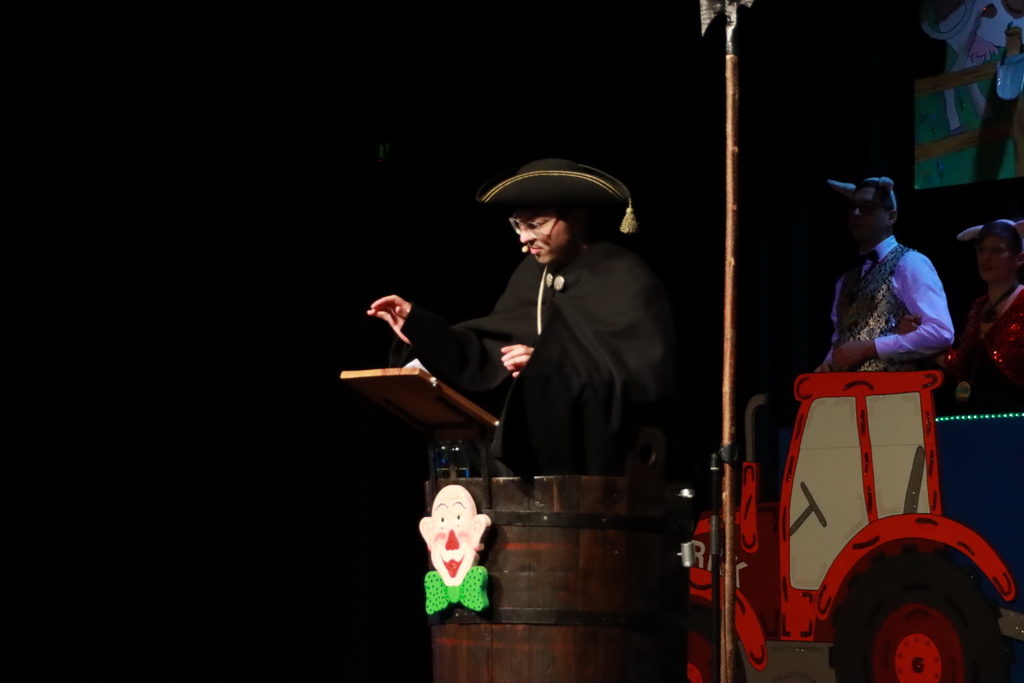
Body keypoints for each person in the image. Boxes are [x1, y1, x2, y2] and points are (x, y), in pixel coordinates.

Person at [367, 158, 679, 476]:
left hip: (603, 467)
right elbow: (489, 353)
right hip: (528, 467)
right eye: (518, 225)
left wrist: (547, 369)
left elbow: (644, 384)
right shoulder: (532, 275)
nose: (523, 238)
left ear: (576, 218)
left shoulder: (624, 277)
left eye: (535, 225)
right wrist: (422, 329)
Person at [815, 176, 954, 372]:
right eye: (853, 207)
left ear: (891, 217)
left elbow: (940, 333)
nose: (856, 213)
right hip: (848, 388)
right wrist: (827, 366)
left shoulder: (910, 263)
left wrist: (869, 348)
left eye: (867, 207)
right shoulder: (845, 280)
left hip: (895, 388)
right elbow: (841, 338)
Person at [942, 219, 1024, 412]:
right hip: (978, 416)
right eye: (982, 250)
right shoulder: (979, 305)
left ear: (1019, 259)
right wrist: (922, 336)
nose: (986, 257)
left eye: (997, 250)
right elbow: (961, 364)